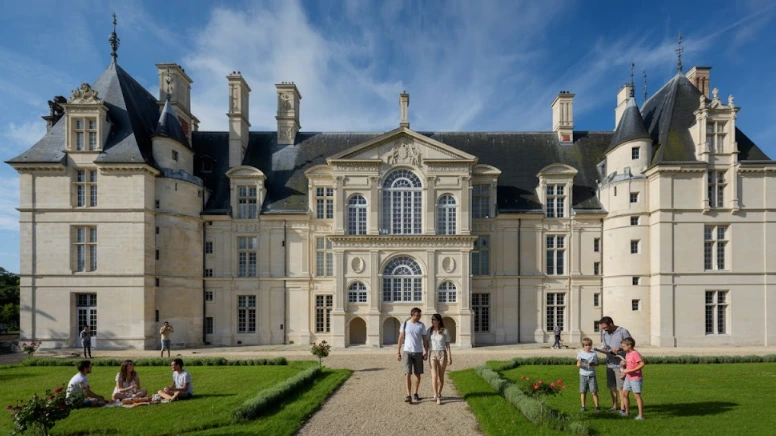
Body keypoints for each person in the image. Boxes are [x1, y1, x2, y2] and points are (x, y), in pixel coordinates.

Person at [599, 316, 632, 413]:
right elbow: (605, 345)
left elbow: (630, 345)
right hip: (609, 364)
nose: (604, 330)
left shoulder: (623, 332)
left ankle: (623, 408)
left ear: (611, 324)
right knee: (612, 387)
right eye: (602, 328)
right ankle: (614, 406)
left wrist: (620, 349)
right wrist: (604, 349)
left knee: (621, 388)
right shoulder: (605, 334)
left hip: (620, 365)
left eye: (605, 327)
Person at [396, 307, 428, 403]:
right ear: (412, 315)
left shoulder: (421, 325)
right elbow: (400, 338)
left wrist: (426, 351)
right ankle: (408, 395)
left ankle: (415, 393)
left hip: (418, 352)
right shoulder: (405, 324)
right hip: (407, 352)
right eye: (418, 315)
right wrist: (398, 352)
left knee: (417, 373)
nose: (419, 317)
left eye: (420, 315)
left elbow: (424, 340)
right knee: (407, 373)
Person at [427, 314, 453, 405]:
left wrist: (450, 357)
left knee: (440, 376)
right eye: (432, 320)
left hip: (442, 353)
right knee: (434, 375)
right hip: (432, 353)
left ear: (439, 321)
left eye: (435, 320)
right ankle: (436, 394)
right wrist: (425, 353)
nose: (433, 321)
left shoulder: (444, 331)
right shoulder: (429, 331)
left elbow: (447, 345)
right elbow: (426, 343)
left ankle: (439, 392)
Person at [620, 337, 645, 420]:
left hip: (636, 378)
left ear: (629, 345)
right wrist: (624, 364)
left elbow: (641, 364)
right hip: (628, 377)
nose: (622, 348)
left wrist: (630, 370)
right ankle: (627, 412)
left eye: (623, 346)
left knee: (637, 396)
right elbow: (629, 365)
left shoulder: (635, 353)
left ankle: (641, 415)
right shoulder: (627, 353)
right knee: (624, 394)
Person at [576, 337, 600, 412]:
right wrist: (580, 365)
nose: (588, 347)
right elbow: (578, 364)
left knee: (594, 391)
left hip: (591, 374)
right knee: (583, 391)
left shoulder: (593, 353)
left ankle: (597, 407)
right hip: (583, 374)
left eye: (589, 345)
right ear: (583, 346)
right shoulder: (580, 353)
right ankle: (583, 406)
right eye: (586, 345)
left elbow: (597, 363)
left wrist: (593, 364)